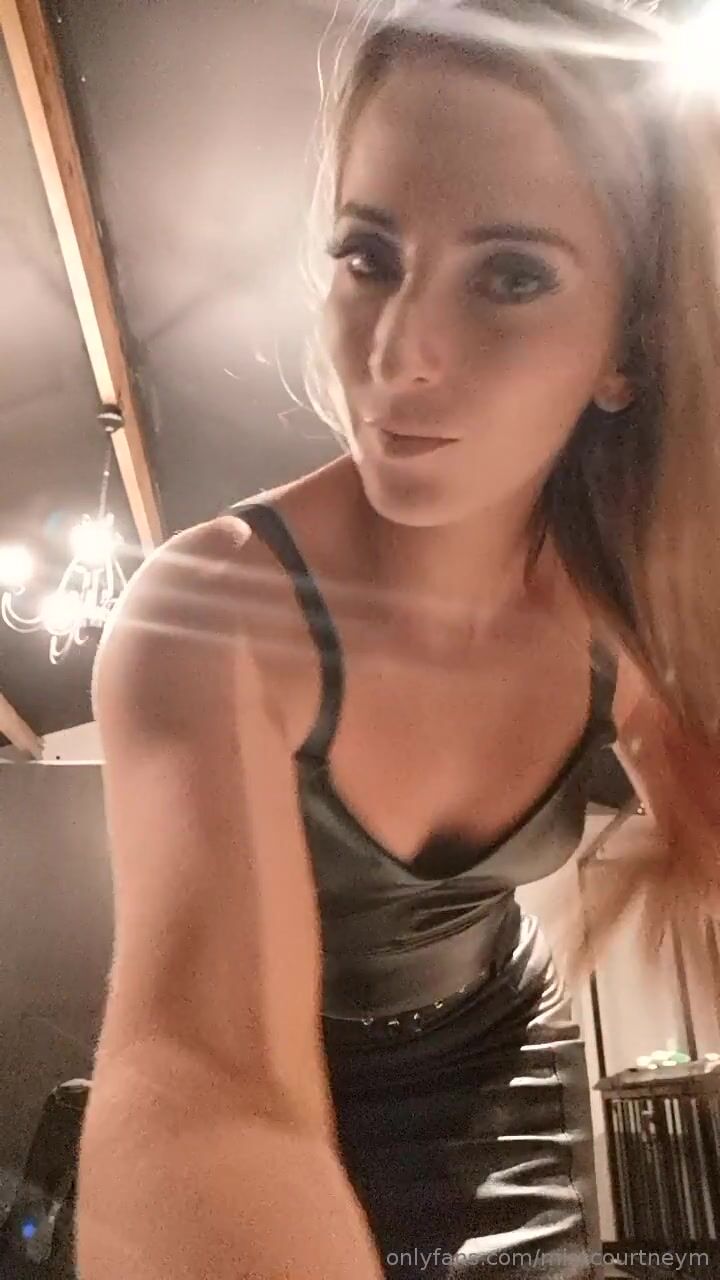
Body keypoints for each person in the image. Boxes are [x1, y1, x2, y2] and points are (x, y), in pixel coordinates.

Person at [76, 1, 720, 1277]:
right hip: (283, 1092)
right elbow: (204, 1073)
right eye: (370, 255)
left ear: (626, 351)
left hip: (504, 1063)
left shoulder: (622, 601)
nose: (398, 351)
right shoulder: (211, 612)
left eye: (511, 276)